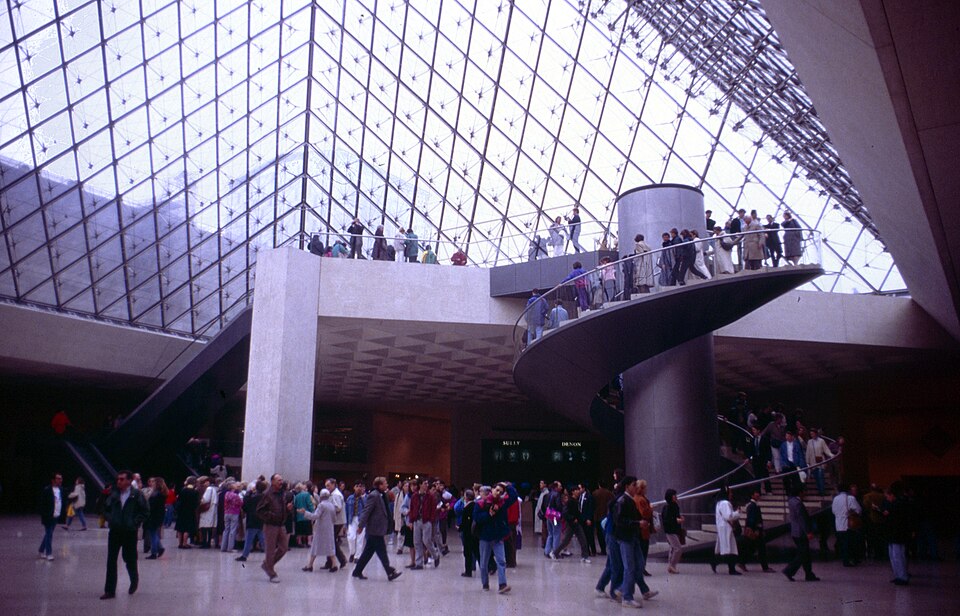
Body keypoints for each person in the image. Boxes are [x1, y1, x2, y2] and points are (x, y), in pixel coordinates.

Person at [100, 470, 149, 600]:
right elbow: (104, 508)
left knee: (130, 558)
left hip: (129, 532)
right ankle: (109, 590)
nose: (119, 482)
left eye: (122, 479)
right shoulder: (113, 494)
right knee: (111, 560)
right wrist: (111, 518)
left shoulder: (136, 494)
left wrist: (134, 522)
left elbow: (145, 511)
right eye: (118, 479)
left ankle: (134, 579)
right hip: (115, 531)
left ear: (129, 481)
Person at [613, 476, 657, 608]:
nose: (636, 487)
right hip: (626, 538)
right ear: (627, 486)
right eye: (634, 485)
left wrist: (639, 523)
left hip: (632, 537)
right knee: (630, 567)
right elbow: (620, 521)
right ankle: (626, 596)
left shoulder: (630, 500)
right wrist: (638, 523)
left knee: (639, 564)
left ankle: (623, 589)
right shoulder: (622, 501)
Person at [352, 477, 402, 581]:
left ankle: (357, 571)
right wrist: (361, 525)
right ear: (379, 485)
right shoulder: (374, 496)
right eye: (385, 483)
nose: (387, 484)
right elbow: (366, 511)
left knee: (368, 552)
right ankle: (389, 572)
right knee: (382, 551)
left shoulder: (382, 495)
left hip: (378, 528)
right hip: (375, 529)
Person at [473, 482, 519, 593]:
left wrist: (507, 486)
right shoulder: (481, 503)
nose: (498, 493)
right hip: (485, 537)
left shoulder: (503, 504)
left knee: (501, 561)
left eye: (501, 492)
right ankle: (485, 583)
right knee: (483, 563)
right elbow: (477, 518)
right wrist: (489, 514)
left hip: (498, 537)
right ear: (492, 489)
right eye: (497, 490)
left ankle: (502, 585)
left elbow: (513, 496)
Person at [256, 473, 291, 583]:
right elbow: (260, 510)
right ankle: (271, 573)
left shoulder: (282, 494)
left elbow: (281, 507)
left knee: (284, 548)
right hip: (271, 525)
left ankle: (267, 565)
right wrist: (271, 516)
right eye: (278, 480)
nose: (281, 482)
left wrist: (287, 509)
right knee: (270, 550)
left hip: (281, 524)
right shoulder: (267, 494)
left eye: (281, 480)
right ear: (272, 482)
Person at [782, 483, 819, 582]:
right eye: (804, 491)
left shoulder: (791, 501)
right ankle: (789, 570)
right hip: (801, 532)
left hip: (795, 531)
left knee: (805, 553)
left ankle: (809, 574)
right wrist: (808, 531)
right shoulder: (798, 503)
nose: (805, 493)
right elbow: (802, 519)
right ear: (800, 492)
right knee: (803, 553)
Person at [299, 488, 338, 572]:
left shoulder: (321, 505)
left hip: (320, 529)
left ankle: (310, 565)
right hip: (329, 529)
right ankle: (334, 564)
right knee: (330, 546)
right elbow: (334, 518)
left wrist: (305, 512)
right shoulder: (332, 505)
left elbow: (315, 516)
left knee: (315, 546)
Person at [550, 485, 590, 562]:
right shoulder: (570, 502)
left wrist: (582, 520)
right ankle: (554, 553)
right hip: (571, 524)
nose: (578, 491)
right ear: (573, 492)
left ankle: (584, 557)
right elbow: (565, 513)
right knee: (566, 541)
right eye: (577, 490)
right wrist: (572, 518)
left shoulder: (576, 501)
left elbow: (578, 513)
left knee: (583, 539)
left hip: (577, 524)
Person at [882, 482, 910, 585]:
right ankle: (898, 575)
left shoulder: (899, 505)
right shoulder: (894, 505)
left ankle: (902, 576)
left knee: (898, 556)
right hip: (893, 534)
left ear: (892, 495)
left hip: (898, 534)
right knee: (893, 556)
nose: (887, 498)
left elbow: (900, 520)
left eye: (887, 496)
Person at [710, 487, 741, 575]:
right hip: (726, 529)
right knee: (730, 549)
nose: (731, 494)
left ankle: (717, 563)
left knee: (726, 549)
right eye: (730, 493)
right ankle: (730, 568)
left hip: (722, 528)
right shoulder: (725, 503)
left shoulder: (719, 503)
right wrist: (737, 513)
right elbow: (729, 516)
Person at [408, 479, 438, 569]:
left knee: (426, 540)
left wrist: (431, 519)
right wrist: (411, 520)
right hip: (417, 520)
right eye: (425, 483)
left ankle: (435, 555)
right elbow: (412, 508)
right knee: (416, 542)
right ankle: (419, 563)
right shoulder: (414, 496)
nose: (426, 485)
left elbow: (433, 508)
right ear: (420, 485)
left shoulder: (430, 496)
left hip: (426, 520)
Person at [741, 490, 773, 572]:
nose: (758, 495)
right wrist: (756, 529)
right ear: (752, 495)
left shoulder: (753, 505)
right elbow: (752, 519)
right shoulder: (752, 506)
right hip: (755, 531)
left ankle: (743, 562)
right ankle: (765, 567)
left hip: (754, 530)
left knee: (752, 548)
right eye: (756, 494)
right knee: (760, 548)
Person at [833, 483, 863, 567]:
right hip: (848, 524)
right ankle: (852, 559)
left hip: (839, 524)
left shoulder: (835, 499)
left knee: (843, 543)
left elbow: (833, 511)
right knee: (851, 542)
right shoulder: (850, 498)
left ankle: (845, 559)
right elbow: (858, 510)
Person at [236, 479, 266, 562]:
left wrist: (248, 493)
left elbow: (245, 505)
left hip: (252, 519)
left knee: (249, 539)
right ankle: (269, 555)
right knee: (263, 538)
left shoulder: (253, 497)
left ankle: (244, 555)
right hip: (262, 519)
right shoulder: (265, 497)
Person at [38, 472, 64, 560]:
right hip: (49, 516)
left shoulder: (60, 489)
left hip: (56, 515)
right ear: (53, 480)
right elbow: (42, 504)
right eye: (58, 478)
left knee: (49, 534)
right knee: (49, 534)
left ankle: (41, 549)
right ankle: (49, 553)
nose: (60, 480)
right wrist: (45, 515)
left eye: (61, 478)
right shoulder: (47, 490)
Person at [454, 489, 479, 576]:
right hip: (474, 533)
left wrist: (459, 527)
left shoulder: (467, 508)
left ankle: (468, 571)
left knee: (467, 552)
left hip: (468, 533)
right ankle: (486, 566)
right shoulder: (476, 506)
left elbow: (465, 522)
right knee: (476, 551)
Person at [325, 478, 348, 568]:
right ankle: (331, 561)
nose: (327, 487)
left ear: (334, 485)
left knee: (331, 541)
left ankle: (340, 560)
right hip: (336, 521)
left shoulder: (336, 495)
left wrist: (328, 510)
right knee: (331, 541)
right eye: (326, 486)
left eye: (328, 485)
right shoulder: (333, 494)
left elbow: (338, 508)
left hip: (336, 521)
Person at [144, 478, 167, 559]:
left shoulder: (155, 494)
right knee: (154, 533)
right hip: (159, 516)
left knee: (153, 534)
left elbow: (151, 506)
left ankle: (154, 552)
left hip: (153, 516)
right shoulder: (162, 493)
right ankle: (160, 548)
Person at [662, 489, 684, 574]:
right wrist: (677, 520)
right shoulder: (668, 507)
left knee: (673, 548)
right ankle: (672, 565)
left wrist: (679, 518)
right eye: (674, 495)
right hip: (671, 530)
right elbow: (668, 519)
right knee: (677, 548)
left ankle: (671, 565)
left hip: (674, 530)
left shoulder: (674, 506)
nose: (675, 496)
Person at [804, 428, 832, 495]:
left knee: (820, 476)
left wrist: (831, 455)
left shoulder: (821, 441)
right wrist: (807, 462)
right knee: (816, 478)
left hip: (820, 461)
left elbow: (826, 450)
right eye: (811, 434)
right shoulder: (809, 441)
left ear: (816, 433)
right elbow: (808, 452)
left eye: (813, 433)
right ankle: (820, 491)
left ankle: (822, 491)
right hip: (813, 462)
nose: (812, 435)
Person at [174, 477, 199, 549]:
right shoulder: (195, 492)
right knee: (187, 528)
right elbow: (196, 503)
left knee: (180, 527)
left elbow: (178, 500)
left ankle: (180, 543)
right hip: (190, 511)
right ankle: (185, 543)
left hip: (181, 511)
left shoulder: (183, 490)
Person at [345, 482, 366, 561]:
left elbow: (367, 510)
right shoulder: (350, 498)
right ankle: (352, 552)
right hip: (352, 519)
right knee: (351, 537)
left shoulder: (365, 498)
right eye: (357, 486)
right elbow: (346, 511)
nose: (358, 488)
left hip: (361, 520)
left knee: (360, 539)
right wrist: (345, 524)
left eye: (360, 486)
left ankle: (357, 556)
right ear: (354, 487)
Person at [221, 481, 242, 552]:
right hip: (234, 513)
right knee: (232, 530)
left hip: (226, 512)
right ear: (233, 487)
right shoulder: (235, 495)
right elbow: (241, 503)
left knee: (226, 529)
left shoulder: (226, 494)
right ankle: (230, 548)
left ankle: (223, 547)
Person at [197, 476, 217, 548]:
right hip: (212, 510)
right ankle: (208, 542)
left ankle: (205, 542)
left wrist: (200, 501)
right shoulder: (214, 489)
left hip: (207, 511)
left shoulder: (209, 489)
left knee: (204, 527)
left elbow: (205, 500)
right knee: (210, 528)